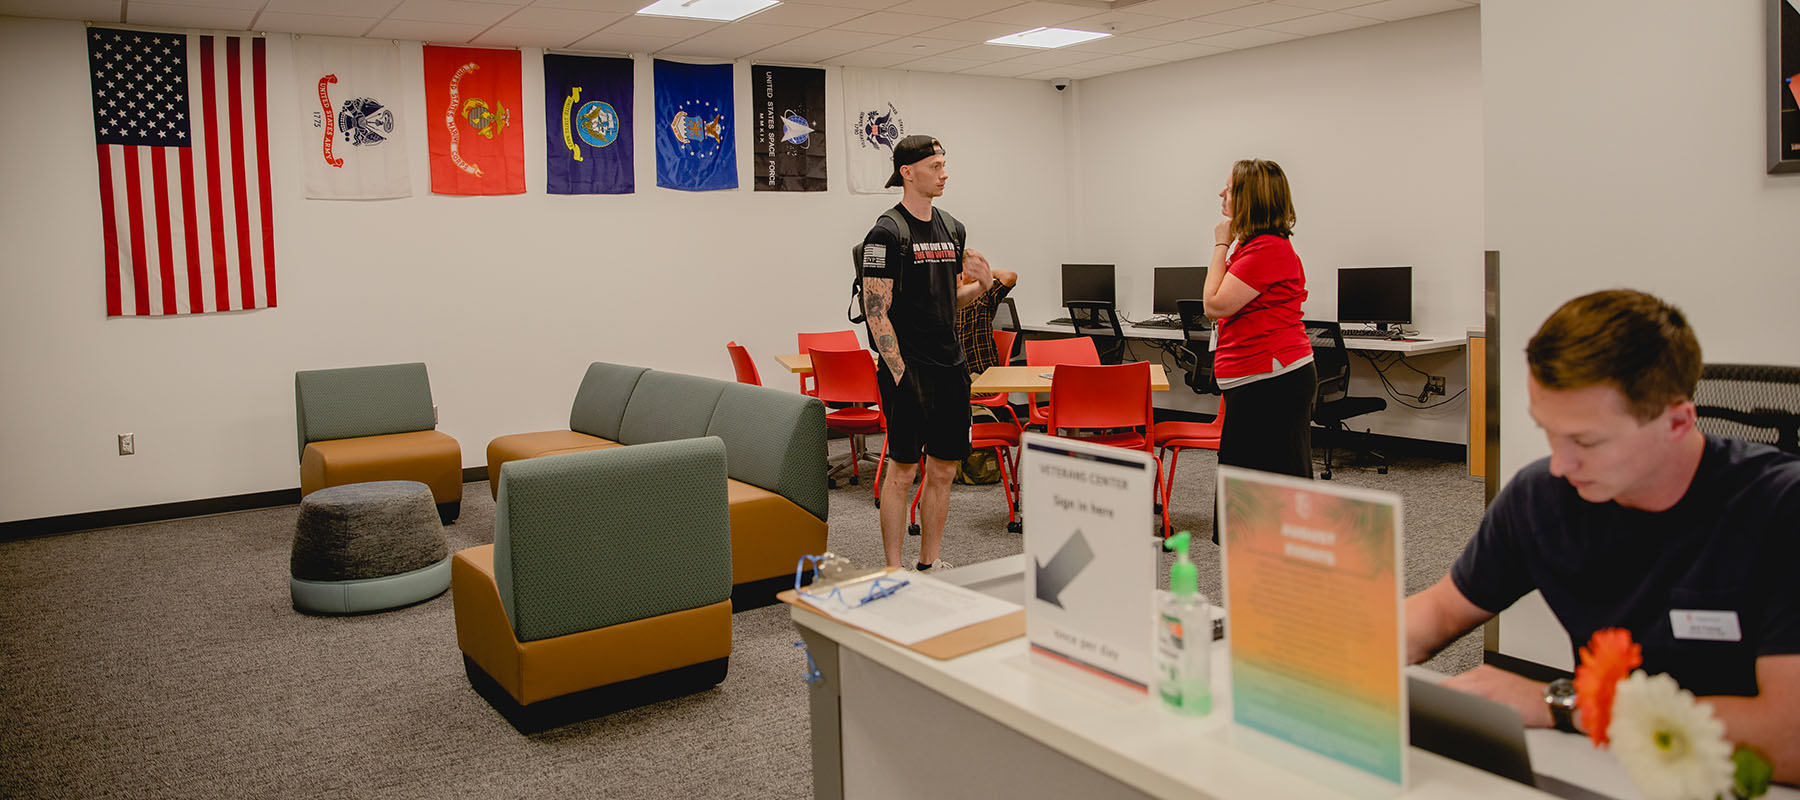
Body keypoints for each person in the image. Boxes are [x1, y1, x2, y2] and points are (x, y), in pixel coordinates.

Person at [1406, 289, 1799, 784]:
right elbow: (1440, 611)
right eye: (1548, 431)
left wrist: (1562, 705)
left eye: (1587, 442)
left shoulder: (1780, 510)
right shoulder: (1543, 495)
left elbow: (1791, 735)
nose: (1561, 463)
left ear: (1678, 421)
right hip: (1607, 770)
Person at [858, 135, 993, 571]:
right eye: (935, 166)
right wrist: (899, 373)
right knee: (902, 471)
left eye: (944, 165)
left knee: (943, 470)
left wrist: (985, 284)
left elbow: (947, 300)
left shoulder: (952, 228)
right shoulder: (886, 232)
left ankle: (930, 561)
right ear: (908, 172)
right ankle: (893, 567)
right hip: (907, 369)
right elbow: (876, 311)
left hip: (951, 367)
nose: (944, 173)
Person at [1202, 159, 1317, 484]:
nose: (1221, 193)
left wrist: (1220, 244)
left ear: (1251, 199)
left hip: (1272, 382)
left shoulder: (1268, 249)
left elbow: (1214, 304)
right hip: (1257, 380)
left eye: (1231, 188)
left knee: (1267, 487)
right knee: (1246, 482)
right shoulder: (1253, 246)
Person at [957, 267, 1019, 377]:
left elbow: (1010, 277)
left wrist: (985, 274)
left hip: (979, 374)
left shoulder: (983, 296)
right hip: (954, 374)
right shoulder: (945, 302)